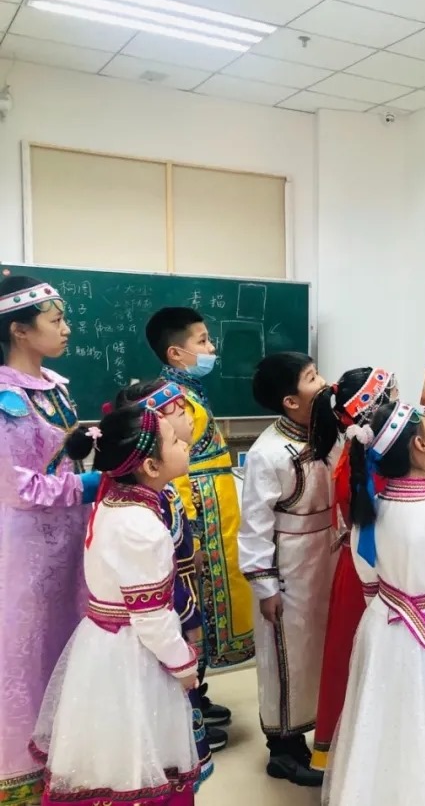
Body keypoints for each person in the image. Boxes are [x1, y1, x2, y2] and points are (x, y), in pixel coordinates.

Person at [31, 404, 201, 805]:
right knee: (137, 751)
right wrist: (184, 665)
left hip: (102, 647)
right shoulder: (141, 527)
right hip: (133, 654)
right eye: (174, 441)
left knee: (108, 750)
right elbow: (152, 618)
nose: (184, 443)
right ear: (151, 467)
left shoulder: (114, 501)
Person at [322, 400, 425, 806]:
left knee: (378, 724)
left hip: (381, 631)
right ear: (419, 445)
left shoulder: (369, 513)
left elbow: (369, 585)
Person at [0, 276, 99, 805]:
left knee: (69, 639)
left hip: (70, 536)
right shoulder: (5, 396)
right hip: (27, 546)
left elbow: (56, 455)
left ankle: (67, 760)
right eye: (55, 320)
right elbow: (16, 486)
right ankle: (20, 772)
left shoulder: (55, 386)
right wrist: (84, 484)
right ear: (19, 330)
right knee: (28, 649)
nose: (67, 329)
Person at [145, 307, 252, 737]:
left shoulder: (188, 389)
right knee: (193, 606)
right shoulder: (169, 399)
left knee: (205, 606)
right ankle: (185, 714)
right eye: (202, 340)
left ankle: (196, 695)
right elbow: (174, 468)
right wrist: (186, 529)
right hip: (196, 516)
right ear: (176, 352)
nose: (211, 347)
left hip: (212, 510)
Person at [111, 379, 219, 780]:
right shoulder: (143, 510)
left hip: (174, 608)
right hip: (162, 619)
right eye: (177, 412)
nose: (189, 417)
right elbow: (158, 583)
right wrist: (189, 621)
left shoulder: (162, 489)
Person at [239, 352, 335, 786]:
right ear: (290, 401)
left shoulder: (326, 431)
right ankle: (282, 748)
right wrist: (266, 588)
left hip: (326, 554)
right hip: (289, 566)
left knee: (319, 649)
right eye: (312, 378)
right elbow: (255, 526)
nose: (323, 382)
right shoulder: (268, 453)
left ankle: (319, 732)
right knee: (286, 655)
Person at [308, 366, 397, 771]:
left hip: (357, 567)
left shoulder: (357, 452)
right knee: (366, 662)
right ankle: (366, 764)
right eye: (392, 395)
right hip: (374, 571)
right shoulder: (372, 462)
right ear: (373, 408)